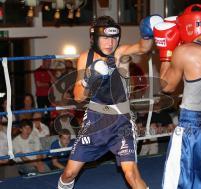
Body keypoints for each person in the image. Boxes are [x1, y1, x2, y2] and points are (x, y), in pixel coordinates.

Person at [57, 15, 162, 189]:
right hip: (95, 119)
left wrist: (147, 32)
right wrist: (89, 80)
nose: (110, 42)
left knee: (131, 174)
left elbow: (143, 49)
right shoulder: (86, 58)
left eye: (113, 37)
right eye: (105, 38)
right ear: (95, 39)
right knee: (69, 173)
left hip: (121, 120)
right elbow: (78, 97)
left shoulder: (120, 54)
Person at [151, 4, 201, 188]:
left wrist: (166, 51)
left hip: (193, 132)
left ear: (189, 27)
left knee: (181, 184)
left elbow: (167, 86)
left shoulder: (186, 51)